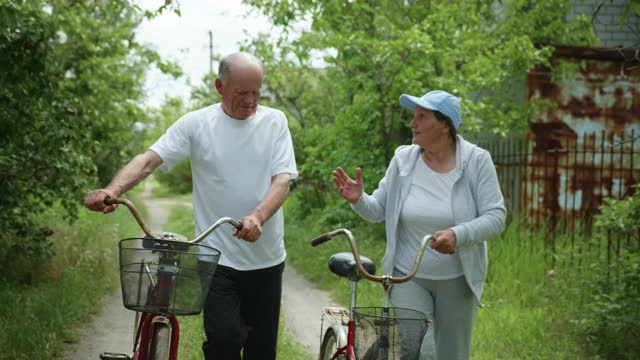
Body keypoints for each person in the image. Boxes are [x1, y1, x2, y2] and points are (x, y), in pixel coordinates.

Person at [85, 52, 298, 360]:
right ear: (219, 87)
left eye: (256, 91)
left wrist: (257, 216)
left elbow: (282, 181)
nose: (251, 100)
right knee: (223, 341)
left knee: (262, 351)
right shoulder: (198, 124)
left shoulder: (275, 122)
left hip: (267, 261)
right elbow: (148, 161)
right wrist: (112, 189)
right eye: (242, 92)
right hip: (218, 260)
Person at [332, 90, 506, 359]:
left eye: (422, 117)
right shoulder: (404, 159)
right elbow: (378, 210)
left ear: (445, 125)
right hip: (408, 277)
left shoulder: (476, 161)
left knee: (452, 354)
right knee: (418, 352)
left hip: (457, 279)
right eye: (414, 117)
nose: (413, 124)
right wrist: (359, 200)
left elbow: (496, 217)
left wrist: (458, 235)